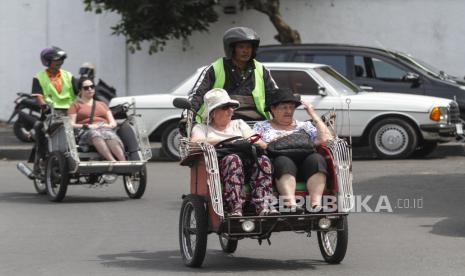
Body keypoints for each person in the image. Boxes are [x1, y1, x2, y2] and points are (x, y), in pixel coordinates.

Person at [191, 88, 277, 217]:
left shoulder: (239, 124)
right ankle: (235, 207)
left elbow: (261, 143)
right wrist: (228, 141)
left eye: (232, 107)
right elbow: (195, 142)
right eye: (226, 107)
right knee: (233, 159)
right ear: (213, 112)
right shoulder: (202, 128)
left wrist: (243, 142)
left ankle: (263, 206)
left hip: (248, 165)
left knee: (263, 160)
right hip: (218, 169)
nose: (231, 110)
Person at [253, 88, 333, 213]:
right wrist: (274, 141)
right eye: (284, 107)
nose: (288, 111)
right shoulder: (261, 126)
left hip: (306, 165)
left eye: (291, 107)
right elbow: (257, 144)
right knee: (283, 161)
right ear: (273, 109)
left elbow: (326, 139)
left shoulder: (304, 126)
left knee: (317, 159)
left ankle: (315, 204)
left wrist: (312, 113)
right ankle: (291, 204)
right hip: (279, 165)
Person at [189, 26, 278, 123]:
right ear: (232, 49)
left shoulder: (261, 69)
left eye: (249, 47)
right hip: (221, 124)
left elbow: (276, 96)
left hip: (257, 124)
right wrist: (187, 118)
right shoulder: (215, 68)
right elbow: (197, 95)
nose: (246, 50)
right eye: (241, 47)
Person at [30, 46, 77, 163]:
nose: (60, 62)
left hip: (70, 111)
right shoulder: (39, 76)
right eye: (56, 60)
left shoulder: (68, 75)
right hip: (50, 112)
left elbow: (79, 91)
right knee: (40, 129)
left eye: (61, 59)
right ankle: (42, 159)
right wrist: (44, 106)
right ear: (47, 61)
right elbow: (38, 95)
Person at [68, 77, 125, 161]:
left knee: (109, 135)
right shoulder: (75, 105)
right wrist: (87, 126)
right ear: (80, 90)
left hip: (104, 128)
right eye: (86, 88)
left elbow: (113, 122)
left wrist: (108, 125)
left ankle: (123, 162)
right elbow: (71, 124)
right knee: (95, 133)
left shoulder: (102, 104)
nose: (90, 89)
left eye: (92, 86)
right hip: (86, 131)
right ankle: (112, 161)